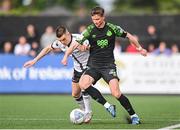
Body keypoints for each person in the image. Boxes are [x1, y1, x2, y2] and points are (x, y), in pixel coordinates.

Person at [67, 6, 147, 125]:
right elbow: (75, 44)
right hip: (93, 65)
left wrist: (140, 48)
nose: (96, 22)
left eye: (98, 19)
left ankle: (134, 116)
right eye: (94, 20)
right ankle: (108, 106)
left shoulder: (112, 28)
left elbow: (129, 36)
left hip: (108, 66)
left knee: (116, 93)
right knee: (83, 84)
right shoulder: (89, 30)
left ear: (103, 17)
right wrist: (68, 55)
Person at [23, 25, 115, 123]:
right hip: (77, 69)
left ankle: (88, 112)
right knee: (75, 94)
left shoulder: (80, 38)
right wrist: (35, 60)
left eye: (63, 39)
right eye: (60, 40)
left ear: (68, 34)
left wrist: (87, 48)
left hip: (90, 66)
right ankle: (84, 111)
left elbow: (94, 48)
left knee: (83, 85)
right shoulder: (60, 43)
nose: (62, 42)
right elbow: (47, 48)